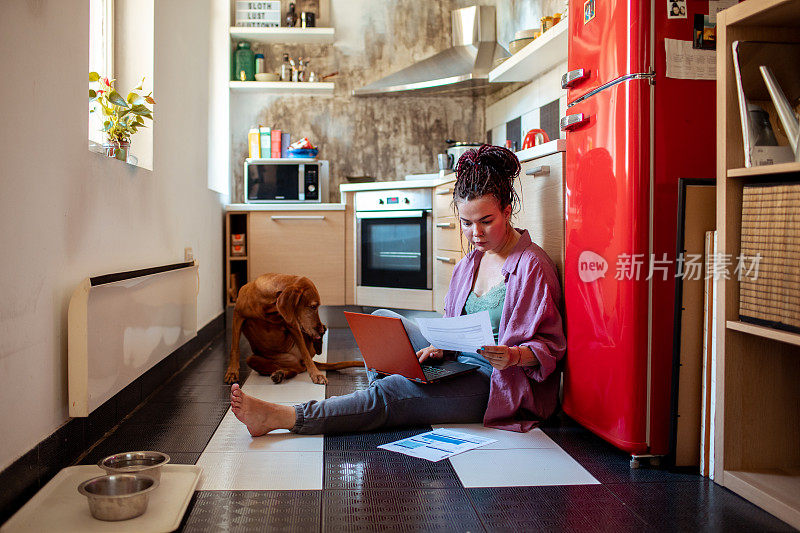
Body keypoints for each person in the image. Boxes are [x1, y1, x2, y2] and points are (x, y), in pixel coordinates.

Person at [230, 144, 566, 435]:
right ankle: (397, 399)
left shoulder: (531, 265)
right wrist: (439, 346)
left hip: (493, 379)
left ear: (507, 211)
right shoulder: (471, 262)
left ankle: (287, 416)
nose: (475, 234)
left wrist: (515, 355)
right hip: (456, 359)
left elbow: (552, 347)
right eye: (466, 223)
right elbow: (453, 326)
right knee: (383, 321)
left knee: (391, 392)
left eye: (486, 221)